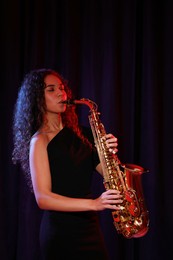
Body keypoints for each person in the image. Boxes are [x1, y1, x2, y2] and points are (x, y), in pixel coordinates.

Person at [12, 68, 123, 260]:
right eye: (51, 89)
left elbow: (111, 176)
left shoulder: (85, 134)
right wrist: (94, 204)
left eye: (62, 88)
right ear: (37, 98)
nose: (61, 93)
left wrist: (110, 154)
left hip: (90, 229)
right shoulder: (39, 141)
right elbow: (43, 198)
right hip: (60, 233)